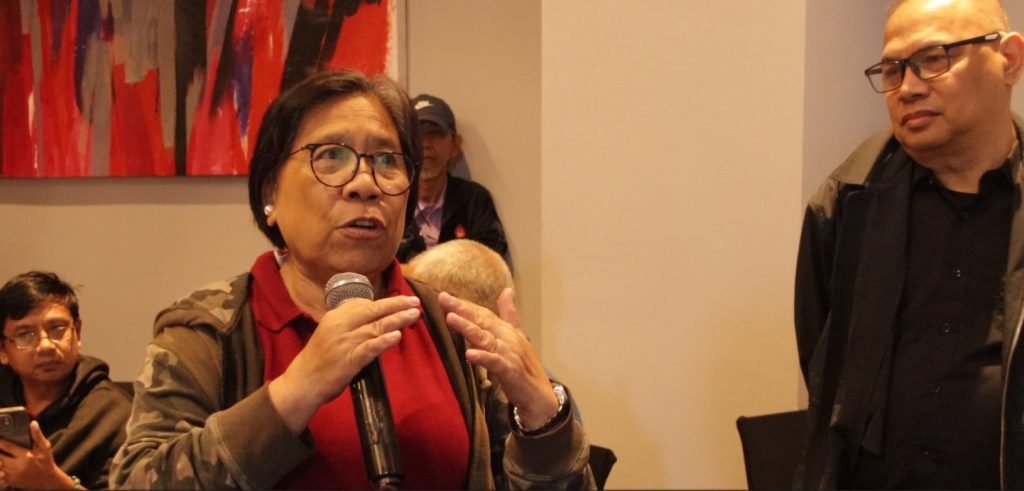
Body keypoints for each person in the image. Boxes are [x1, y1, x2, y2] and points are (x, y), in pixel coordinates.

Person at [110, 70, 593, 489]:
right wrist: (293, 393)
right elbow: (138, 479)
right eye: (331, 156)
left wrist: (542, 419)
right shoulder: (209, 330)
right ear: (269, 193)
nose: (365, 184)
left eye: (388, 162)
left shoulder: (449, 325)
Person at [795, 0, 1024, 488]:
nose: (909, 87)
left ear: (1008, 60)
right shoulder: (846, 204)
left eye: (934, 58)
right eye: (893, 69)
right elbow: (825, 365)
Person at [0, 271, 131, 489]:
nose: (46, 346)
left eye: (57, 329)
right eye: (25, 335)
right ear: (3, 350)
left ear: (77, 332)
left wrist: (52, 483)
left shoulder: (113, 415)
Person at [396, 93, 509, 263]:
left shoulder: (474, 201)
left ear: (455, 145)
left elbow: (491, 264)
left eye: (435, 134)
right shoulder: (391, 200)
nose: (425, 144)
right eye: (418, 135)